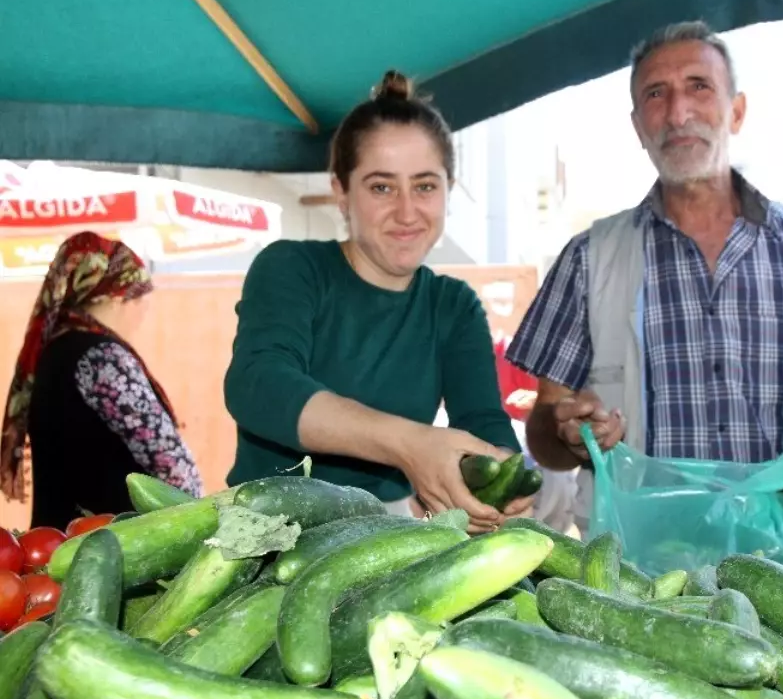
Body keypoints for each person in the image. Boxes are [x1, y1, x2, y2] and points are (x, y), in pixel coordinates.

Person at [506, 21, 783, 573]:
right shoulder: (589, 260)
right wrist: (571, 432)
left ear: (736, 112)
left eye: (699, 87)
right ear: (637, 126)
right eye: (655, 95)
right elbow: (543, 431)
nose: (678, 112)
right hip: (644, 582)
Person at [224, 70, 524, 531]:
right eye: (381, 187)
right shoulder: (292, 268)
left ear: (448, 189)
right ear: (341, 192)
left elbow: (482, 418)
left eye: (424, 185)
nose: (407, 212)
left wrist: (502, 476)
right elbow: (258, 384)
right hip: (263, 534)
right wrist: (409, 444)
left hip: (384, 535)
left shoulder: (453, 305)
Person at [1, 232, 201, 529]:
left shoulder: (51, 350)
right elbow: (170, 461)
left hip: (57, 537)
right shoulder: (101, 358)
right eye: (141, 298)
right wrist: (196, 521)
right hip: (111, 543)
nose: (144, 312)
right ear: (118, 296)